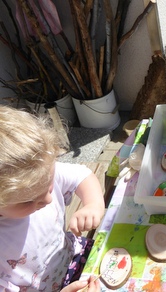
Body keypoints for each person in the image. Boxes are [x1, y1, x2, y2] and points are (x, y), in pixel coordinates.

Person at [0, 106, 105, 291]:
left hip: (73, 254)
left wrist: (93, 204)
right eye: (29, 200)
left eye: (49, 185)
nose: (48, 200)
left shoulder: (38, 172)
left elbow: (82, 176)